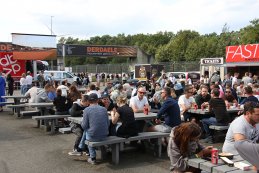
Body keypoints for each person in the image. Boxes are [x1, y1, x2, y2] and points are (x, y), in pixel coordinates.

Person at [80, 93, 110, 164]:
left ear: (89, 101)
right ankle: (80, 147)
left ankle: (92, 157)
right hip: (105, 135)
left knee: (88, 132)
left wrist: (82, 122)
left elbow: (84, 126)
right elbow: (108, 123)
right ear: (98, 100)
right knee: (91, 131)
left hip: (93, 137)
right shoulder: (104, 109)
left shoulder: (87, 110)